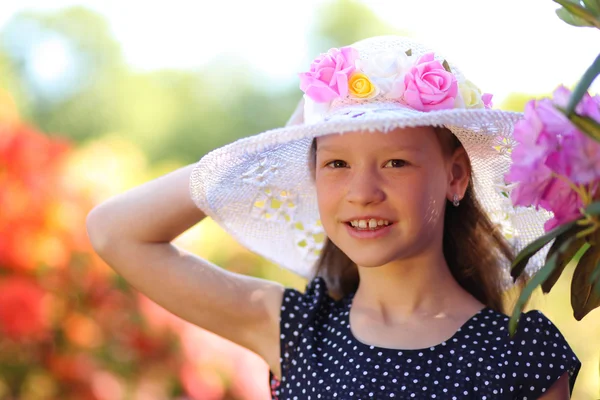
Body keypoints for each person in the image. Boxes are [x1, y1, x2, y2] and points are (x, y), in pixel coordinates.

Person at [87, 35, 581, 399]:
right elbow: (113, 232)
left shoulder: (522, 356)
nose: (362, 193)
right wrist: (270, 145)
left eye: (395, 163)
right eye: (337, 164)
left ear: (455, 176)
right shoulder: (296, 330)